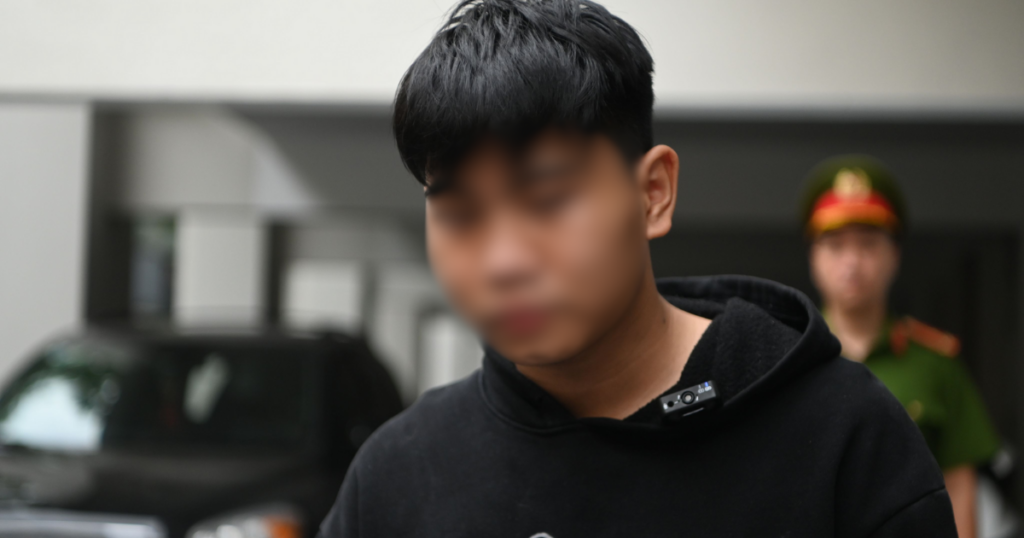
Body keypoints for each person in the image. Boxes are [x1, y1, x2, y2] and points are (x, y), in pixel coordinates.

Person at [319, 1, 957, 536]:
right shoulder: (397, 475)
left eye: (547, 201)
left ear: (653, 192)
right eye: (461, 214)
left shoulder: (841, 437)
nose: (504, 261)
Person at [801, 154, 1001, 538]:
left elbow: (959, 490)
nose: (852, 262)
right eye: (836, 246)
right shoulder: (791, 358)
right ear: (814, 258)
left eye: (868, 245)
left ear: (894, 255)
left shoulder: (936, 364)